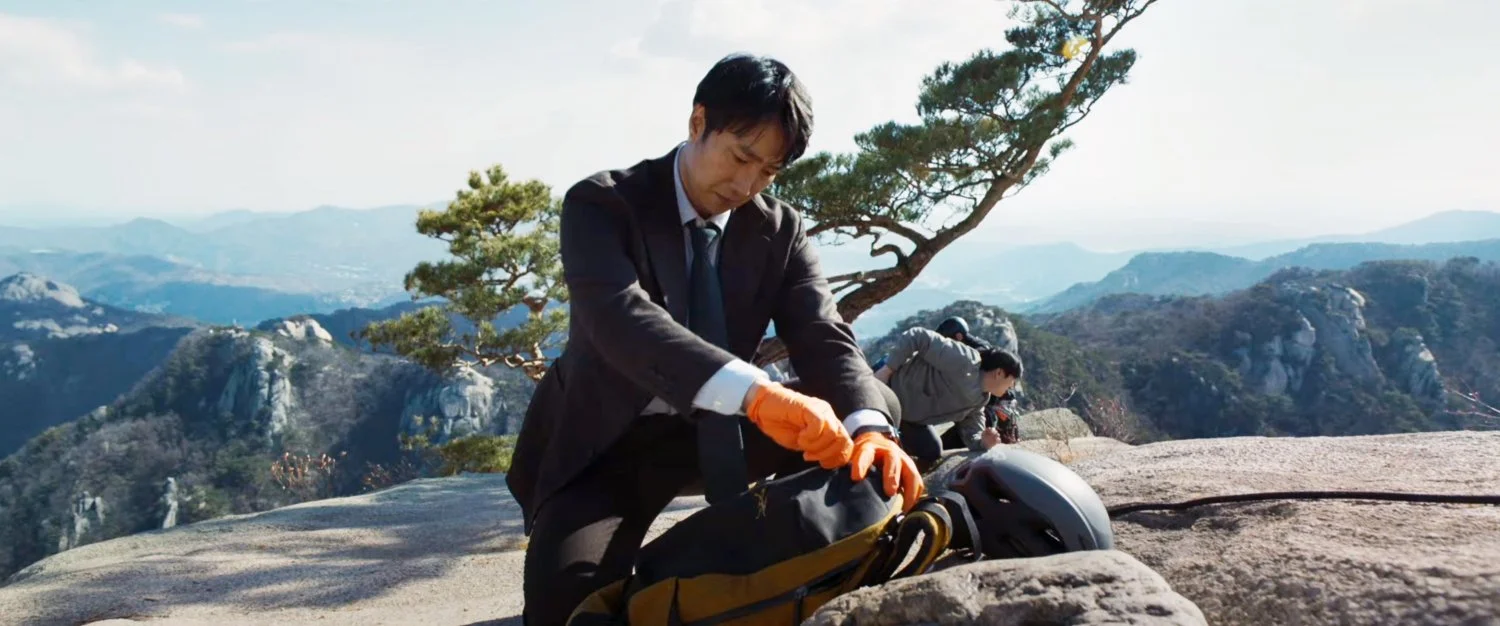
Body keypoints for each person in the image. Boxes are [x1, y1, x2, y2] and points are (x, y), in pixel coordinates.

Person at [505, 53, 924, 626]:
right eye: (742, 157)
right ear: (698, 121)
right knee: (566, 610)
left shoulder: (779, 229)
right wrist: (757, 394)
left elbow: (822, 332)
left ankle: (779, 536)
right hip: (608, 445)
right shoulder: (603, 204)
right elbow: (619, 317)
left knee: (871, 414)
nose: (747, 185)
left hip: (725, 431)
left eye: (769, 171)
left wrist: (870, 428)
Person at [872, 326, 1023, 472]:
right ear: (999, 373)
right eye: (1012, 381)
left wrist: (984, 442)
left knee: (932, 451)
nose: (1011, 387)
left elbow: (972, 434)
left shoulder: (980, 400)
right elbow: (918, 336)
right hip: (888, 391)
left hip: (908, 420)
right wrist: (887, 370)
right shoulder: (966, 361)